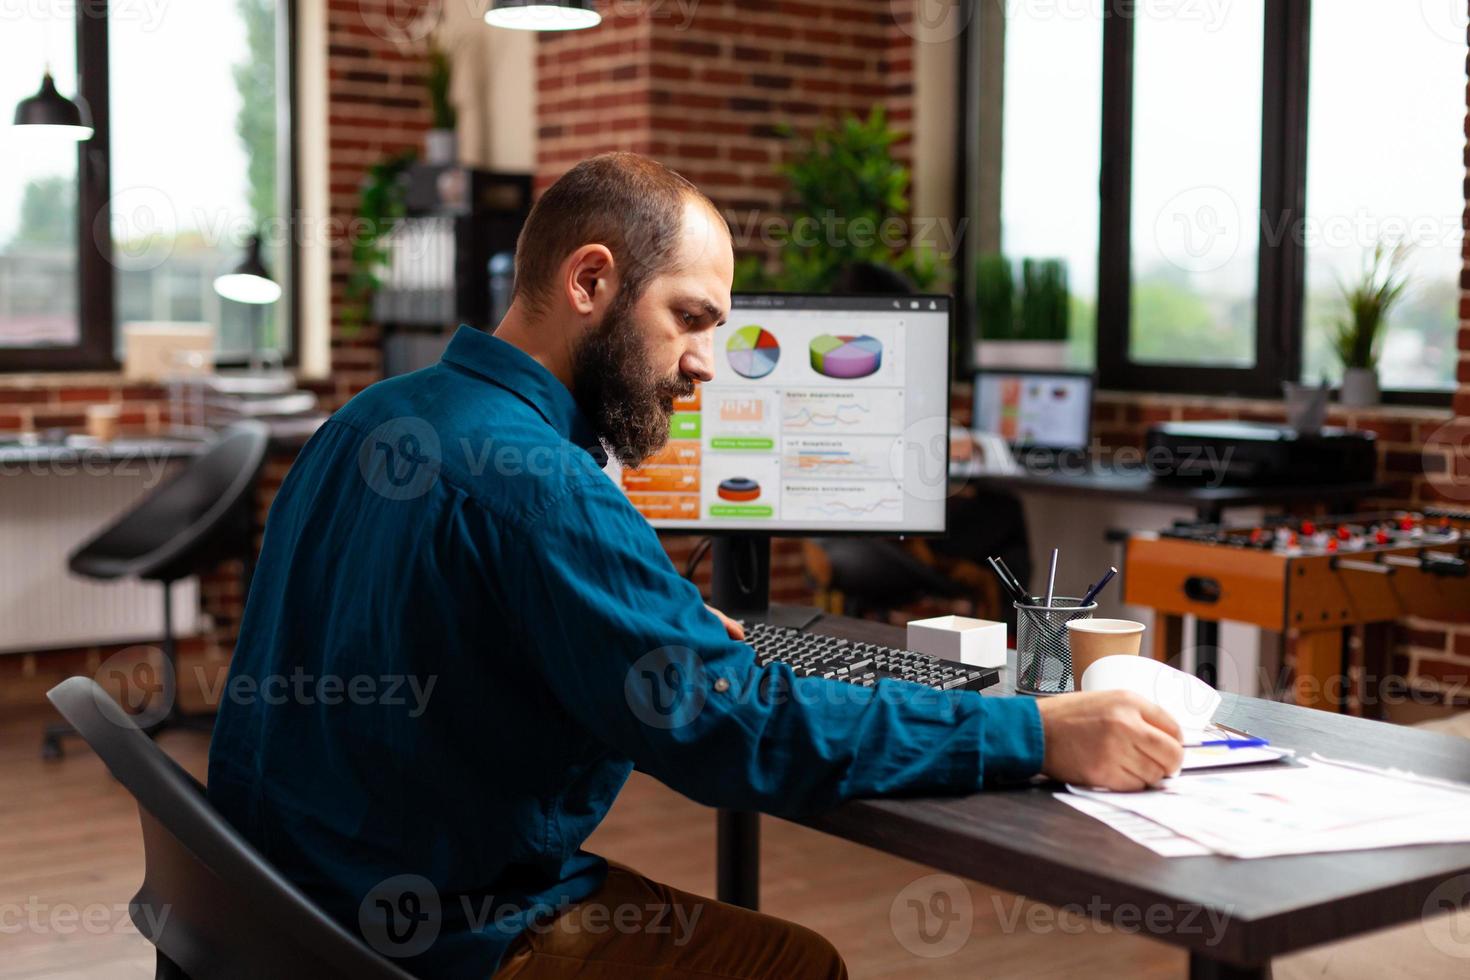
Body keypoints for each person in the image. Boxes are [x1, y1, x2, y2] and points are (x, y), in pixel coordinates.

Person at [208, 153, 1184, 980]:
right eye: (691, 317)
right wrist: (1031, 730)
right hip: (438, 940)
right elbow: (742, 732)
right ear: (589, 281)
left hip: (270, 910)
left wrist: (659, 624)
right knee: (796, 964)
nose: (708, 362)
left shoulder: (370, 419)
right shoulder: (540, 483)